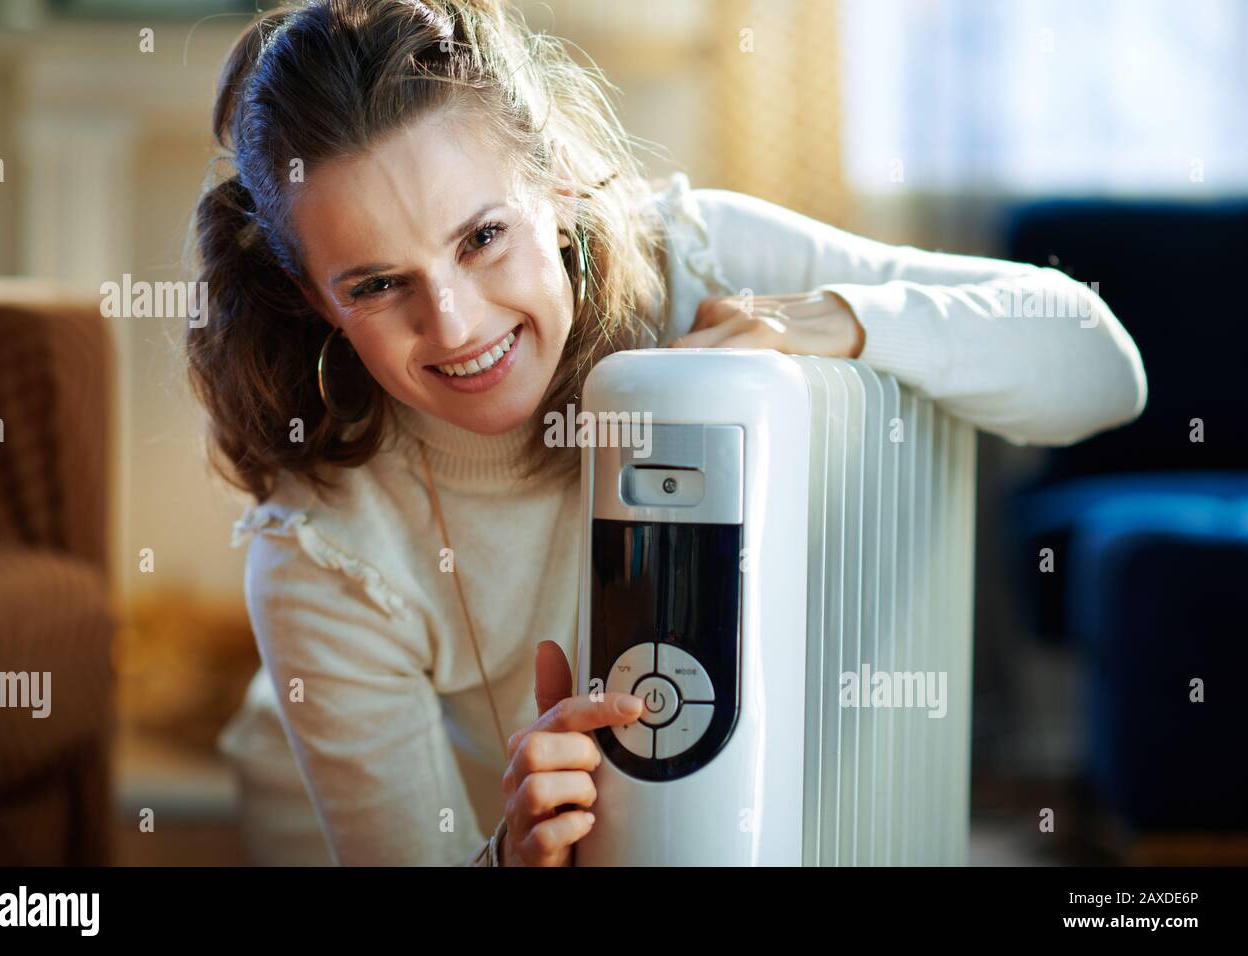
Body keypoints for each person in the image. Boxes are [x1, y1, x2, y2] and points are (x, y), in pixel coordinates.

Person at [187, 0, 1146, 866]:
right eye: (377, 284)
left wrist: (838, 318)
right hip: (346, 791)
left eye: (483, 238)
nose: (455, 325)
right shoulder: (323, 552)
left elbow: (1106, 371)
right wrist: (508, 859)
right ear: (316, 298)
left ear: (556, 185)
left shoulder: (698, 258)